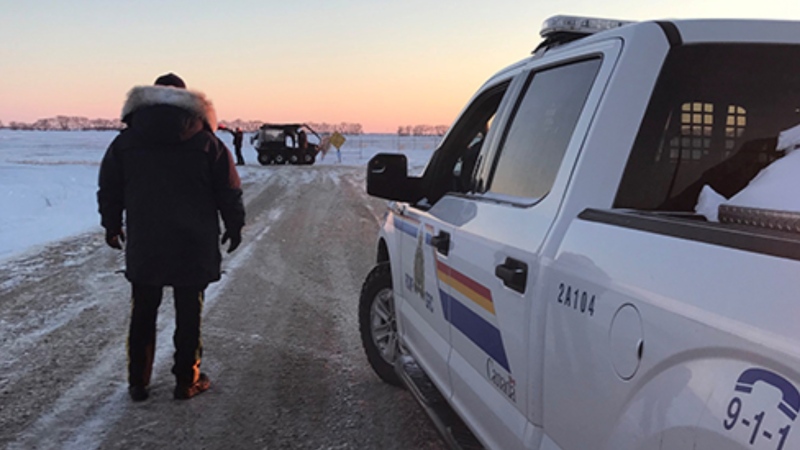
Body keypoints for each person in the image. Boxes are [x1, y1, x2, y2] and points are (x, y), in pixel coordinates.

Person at [97, 73, 246, 402]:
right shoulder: (208, 142)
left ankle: (138, 382)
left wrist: (111, 224)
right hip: (193, 241)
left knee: (144, 309)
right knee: (189, 309)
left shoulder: (126, 141)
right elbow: (228, 189)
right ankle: (186, 379)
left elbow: (110, 186)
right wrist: (234, 225)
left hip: (146, 240)